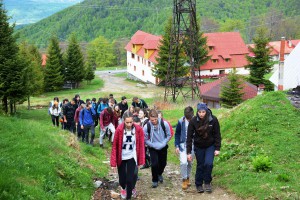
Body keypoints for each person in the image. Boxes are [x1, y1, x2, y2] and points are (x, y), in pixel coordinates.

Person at [186, 103, 221, 193]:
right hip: (199, 146)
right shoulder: (193, 121)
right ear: (197, 112)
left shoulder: (213, 120)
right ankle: (198, 184)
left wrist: (217, 148)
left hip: (210, 145)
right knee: (200, 164)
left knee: (208, 163)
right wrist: (188, 152)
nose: (201, 114)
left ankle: (207, 182)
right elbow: (189, 138)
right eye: (199, 112)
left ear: (206, 111)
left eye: (203, 112)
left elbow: (217, 135)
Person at [110, 112, 145, 200]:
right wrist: (113, 163)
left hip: (131, 156)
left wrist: (141, 160)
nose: (129, 124)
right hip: (121, 156)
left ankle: (128, 197)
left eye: (131, 122)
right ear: (123, 121)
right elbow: (115, 147)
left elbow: (140, 145)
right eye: (127, 122)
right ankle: (123, 188)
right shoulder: (119, 129)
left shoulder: (138, 129)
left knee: (130, 179)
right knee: (122, 180)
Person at [143, 109, 171, 188]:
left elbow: (169, 135)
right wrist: (151, 144)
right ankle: (154, 180)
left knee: (163, 163)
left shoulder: (164, 124)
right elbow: (145, 139)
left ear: (158, 117)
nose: (154, 121)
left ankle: (159, 173)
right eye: (152, 120)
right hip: (153, 147)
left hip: (163, 146)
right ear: (149, 118)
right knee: (154, 164)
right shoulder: (146, 126)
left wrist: (164, 143)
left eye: (155, 119)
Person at [174, 106, 195, 190]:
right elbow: (177, 134)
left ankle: (188, 177)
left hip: (193, 145)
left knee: (189, 162)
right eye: (187, 118)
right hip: (183, 145)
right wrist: (177, 145)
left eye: (190, 118)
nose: (189, 120)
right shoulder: (180, 121)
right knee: (183, 162)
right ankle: (184, 179)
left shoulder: (196, 121)